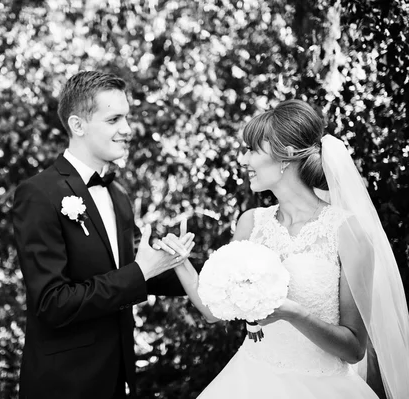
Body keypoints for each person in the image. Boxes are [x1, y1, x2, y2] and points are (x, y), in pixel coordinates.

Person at [163, 99, 409, 399]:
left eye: (253, 150)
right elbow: (214, 312)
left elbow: (354, 348)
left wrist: (294, 313)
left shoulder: (347, 231)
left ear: (285, 157)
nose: (244, 159)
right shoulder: (251, 223)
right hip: (250, 381)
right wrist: (180, 261)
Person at [12, 70, 195, 399]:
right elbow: (53, 303)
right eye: (114, 119)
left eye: (127, 118)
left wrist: (226, 272)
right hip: (64, 385)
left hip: (116, 379)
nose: (127, 130)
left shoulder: (118, 197)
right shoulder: (39, 194)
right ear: (78, 125)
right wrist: (140, 273)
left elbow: (138, 270)